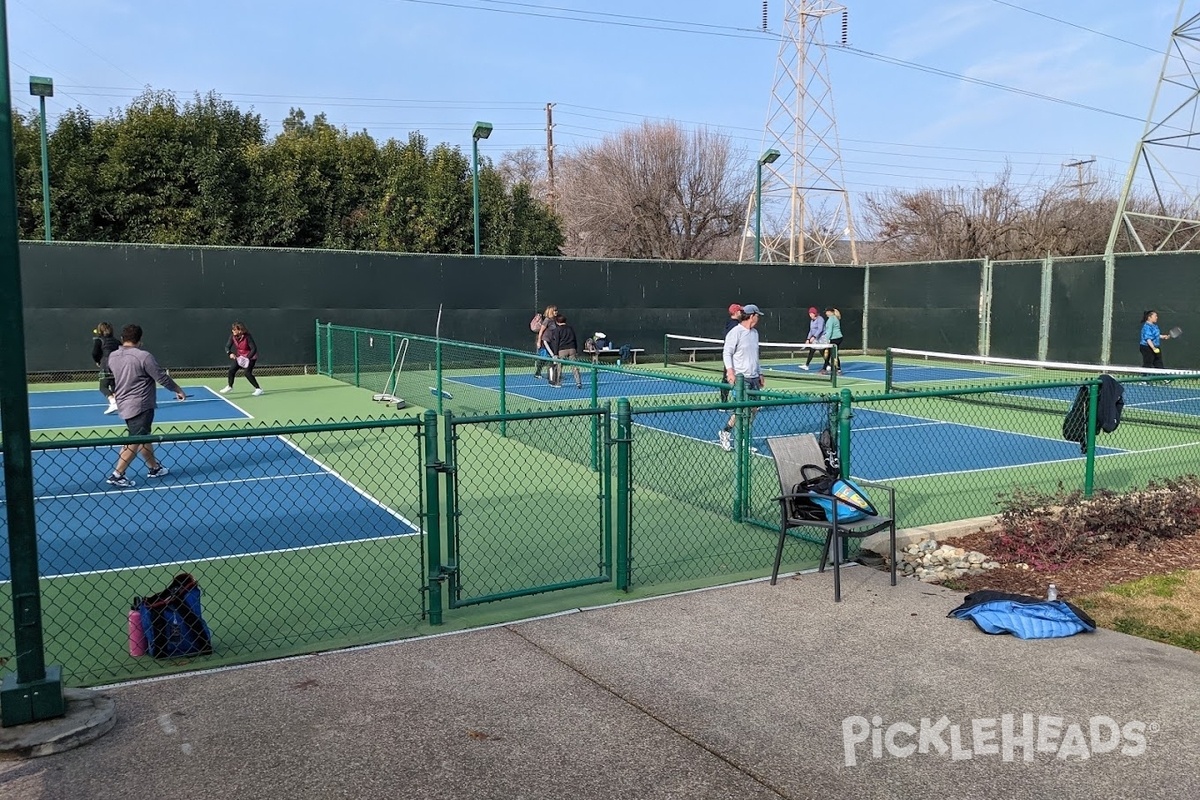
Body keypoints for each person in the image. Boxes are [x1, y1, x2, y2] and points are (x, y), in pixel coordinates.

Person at [106, 324, 186, 488]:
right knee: (136, 438)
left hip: (124, 403)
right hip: (140, 405)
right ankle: (117, 474)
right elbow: (161, 377)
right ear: (140, 340)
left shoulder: (113, 356)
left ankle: (154, 468)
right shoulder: (143, 356)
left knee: (143, 435)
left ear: (122, 338)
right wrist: (177, 389)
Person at [718, 303, 765, 452]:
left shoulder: (755, 334)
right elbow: (727, 353)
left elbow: (755, 355)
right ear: (752, 316)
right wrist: (730, 372)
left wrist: (760, 373)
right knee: (741, 410)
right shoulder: (735, 332)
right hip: (741, 378)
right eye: (757, 315)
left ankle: (744, 439)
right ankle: (726, 433)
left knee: (754, 409)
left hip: (754, 377)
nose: (758, 318)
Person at [221, 321, 263, 395]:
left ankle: (258, 389)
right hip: (240, 357)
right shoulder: (232, 336)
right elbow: (227, 347)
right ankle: (230, 386)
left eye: (234, 329)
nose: (232, 331)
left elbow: (254, 349)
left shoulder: (247, 337)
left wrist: (247, 358)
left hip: (250, 357)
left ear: (239, 330)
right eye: (232, 329)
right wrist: (230, 353)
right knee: (231, 371)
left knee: (247, 373)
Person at [543, 314, 583, 389]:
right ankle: (578, 382)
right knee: (574, 366)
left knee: (559, 367)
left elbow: (556, 342)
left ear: (557, 322)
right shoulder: (570, 329)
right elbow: (574, 339)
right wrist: (576, 350)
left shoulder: (557, 330)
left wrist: (555, 353)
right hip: (572, 349)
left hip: (562, 350)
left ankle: (558, 383)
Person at [91, 321, 121, 414]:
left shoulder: (99, 340)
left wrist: (97, 361)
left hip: (106, 364)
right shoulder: (116, 341)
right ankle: (118, 403)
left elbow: (95, 353)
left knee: (103, 386)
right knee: (113, 385)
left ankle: (113, 402)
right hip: (116, 365)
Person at [720, 304, 742, 402]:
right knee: (733, 378)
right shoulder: (736, 326)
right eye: (740, 311)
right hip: (734, 356)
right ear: (736, 312)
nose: (742, 313)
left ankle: (725, 401)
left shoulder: (728, 324)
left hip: (730, 356)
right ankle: (736, 400)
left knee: (727, 378)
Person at [533, 304, 558, 379]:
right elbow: (541, 331)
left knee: (551, 357)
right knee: (544, 358)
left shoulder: (555, 320)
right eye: (555, 310)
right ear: (551, 311)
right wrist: (539, 342)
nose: (556, 312)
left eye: (556, 310)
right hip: (545, 341)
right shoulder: (547, 320)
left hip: (551, 342)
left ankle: (551, 374)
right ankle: (538, 373)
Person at [820, 307, 843, 375]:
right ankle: (826, 368)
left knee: (833, 354)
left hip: (835, 339)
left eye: (827, 312)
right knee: (831, 354)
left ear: (830, 312)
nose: (826, 313)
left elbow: (829, 331)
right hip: (838, 338)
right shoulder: (835, 318)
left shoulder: (831, 319)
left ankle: (837, 369)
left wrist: (827, 340)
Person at [801, 307, 825, 371]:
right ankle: (807, 365)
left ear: (815, 313)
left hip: (822, 338)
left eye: (812, 314)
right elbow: (811, 330)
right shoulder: (811, 321)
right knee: (812, 350)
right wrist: (808, 339)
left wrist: (814, 337)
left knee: (821, 351)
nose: (810, 315)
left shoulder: (820, 319)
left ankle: (828, 365)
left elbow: (820, 329)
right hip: (816, 338)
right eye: (809, 314)